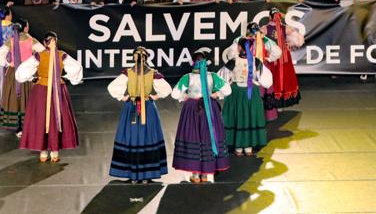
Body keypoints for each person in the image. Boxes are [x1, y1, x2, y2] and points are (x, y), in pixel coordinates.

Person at [107, 46, 172, 183]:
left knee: (133, 136)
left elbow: (112, 87)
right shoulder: (150, 73)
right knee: (146, 136)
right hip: (143, 107)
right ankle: (145, 175)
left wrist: (123, 97)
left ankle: (134, 175)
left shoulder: (130, 73)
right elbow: (166, 89)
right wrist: (156, 96)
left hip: (135, 106)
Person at [15, 32, 82, 163]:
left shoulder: (39, 56)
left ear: (45, 42)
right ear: (55, 41)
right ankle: (54, 153)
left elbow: (22, 71)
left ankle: (43, 153)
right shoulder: (62, 55)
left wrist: (32, 78)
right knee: (55, 119)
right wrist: (67, 78)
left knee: (42, 119)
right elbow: (76, 69)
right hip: (56, 90)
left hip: (41, 90)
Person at [171, 49, 231, 183]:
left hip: (192, 109)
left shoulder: (188, 77)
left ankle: (195, 174)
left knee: (193, 138)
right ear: (205, 62)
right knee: (207, 138)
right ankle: (205, 173)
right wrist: (215, 95)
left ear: (193, 63)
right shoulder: (213, 76)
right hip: (209, 108)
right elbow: (227, 90)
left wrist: (185, 96)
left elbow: (175, 94)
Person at [219, 37, 273, 157]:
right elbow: (266, 80)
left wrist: (222, 91)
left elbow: (222, 77)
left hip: (236, 93)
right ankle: (248, 147)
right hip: (251, 93)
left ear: (239, 47)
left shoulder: (233, 61)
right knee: (249, 117)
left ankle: (238, 147)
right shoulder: (256, 61)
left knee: (238, 118)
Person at [0, 19, 44, 135]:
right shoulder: (32, 41)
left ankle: (19, 127)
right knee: (27, 98)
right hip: (27, 73)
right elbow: (43, 53)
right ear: (26, 28)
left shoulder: (10, 41)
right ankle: (27, 124)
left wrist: (9, 63)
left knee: (15, 99)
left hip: (14, 73)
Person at [261, 8, 304, 108]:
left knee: (272, 76)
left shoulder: (265, 28)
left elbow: (259, 42)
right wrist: (289, 43)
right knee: (284, 76)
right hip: (284, 57)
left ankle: (272, 100)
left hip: (271, 56)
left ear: (269, 17)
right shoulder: (285, 28)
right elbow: (299, 41)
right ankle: (281, 100)